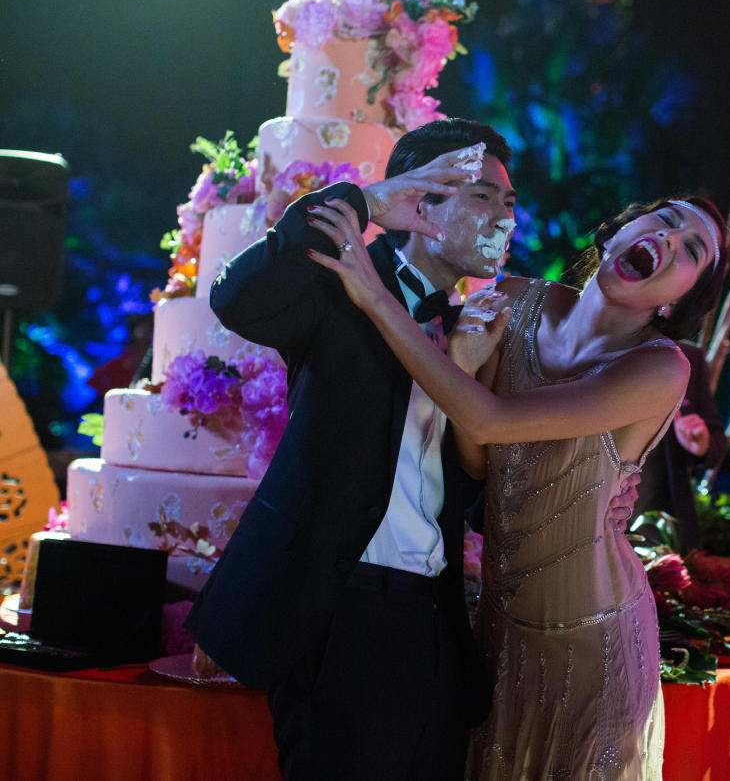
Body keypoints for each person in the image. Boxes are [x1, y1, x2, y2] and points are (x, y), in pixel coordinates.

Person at [305, 183, 728, 780]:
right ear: (617, 233)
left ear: (677, 301)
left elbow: (487, 417)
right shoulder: (511, 297)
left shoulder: (661, 368)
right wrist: (461, 363)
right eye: (664, 219)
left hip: (596, 649)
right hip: (500, 640)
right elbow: (482, 463)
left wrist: (376, 299)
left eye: (691, 251)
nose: (667, 238)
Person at [185, 119, 517, 780]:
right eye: (482, 196)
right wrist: (363, 202)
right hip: (338, 608)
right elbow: (237, 297)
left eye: (509, 203)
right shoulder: (345, 286)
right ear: (422, 202)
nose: (504, 217)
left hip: (436, 622)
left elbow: (475, 494)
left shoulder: (481, 332)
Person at [632, 340, 727, 550]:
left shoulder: (688, 357)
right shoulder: (610, 344)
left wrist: (702, 445)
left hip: (660, 522)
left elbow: (718, 444)